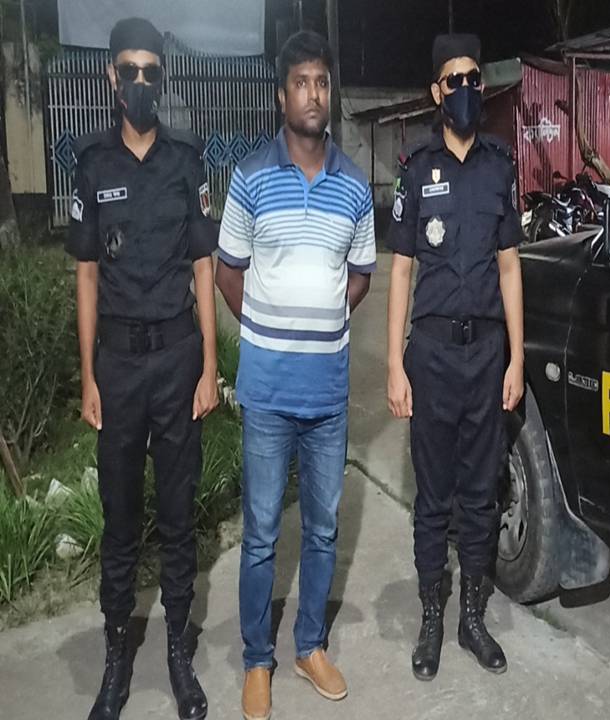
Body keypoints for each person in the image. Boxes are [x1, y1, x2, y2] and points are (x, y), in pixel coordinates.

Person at [215, 30, 375, 720]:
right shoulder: (250, 176)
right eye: (301, 82)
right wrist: (267, 327)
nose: (314, 94)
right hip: (268, 393)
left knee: (322, 529)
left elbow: (361, 275)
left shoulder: (356, 186)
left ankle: (310, 645)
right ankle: (258, 660)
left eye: (322, 82)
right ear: (282, 96)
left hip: (327, 393)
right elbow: (228, 272)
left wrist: (321, 319)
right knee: (259, 534)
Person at [66, 17, 218, 720]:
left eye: (151, 71)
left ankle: (180, 655)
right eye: (129, 70)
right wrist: (89, 377)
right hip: (120, 368)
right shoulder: (92, 164)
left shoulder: (186, 159)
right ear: (111, 77)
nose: (140, 83)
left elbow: (204, 265)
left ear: (163, 77)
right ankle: (116, 659)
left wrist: (210, 365)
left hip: (179, 358)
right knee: (121, 519)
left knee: (180, 517)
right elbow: (87, 276)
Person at [386, 33, 525, 681]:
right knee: (433, 498)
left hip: (488, 354)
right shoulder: (416, 170)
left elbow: (510, 268)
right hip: (433, 357)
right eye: (453, 80)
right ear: (435, 92)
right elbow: (400, 271)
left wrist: (516, 358)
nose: (464, 89)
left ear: (480, 85)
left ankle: (472, 617)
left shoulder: (500, 166)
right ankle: (432, 618)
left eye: (473, 78)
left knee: (480, 495)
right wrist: (393, 365)